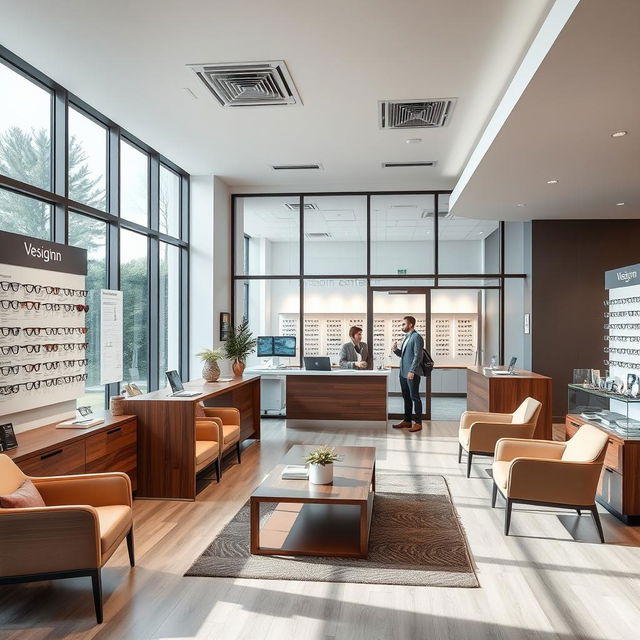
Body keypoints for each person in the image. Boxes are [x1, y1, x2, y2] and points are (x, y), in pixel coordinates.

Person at [391, 315, 425, 432]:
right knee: (406, 397)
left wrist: (412, 370)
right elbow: (404, 356)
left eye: (403, 324)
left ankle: (418, 423)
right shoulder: (406, 338)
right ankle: (407, 421)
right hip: (403, 373)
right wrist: (396, 351)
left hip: (411, 373)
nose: (402, 326)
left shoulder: (416, 337)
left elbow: (418, 356)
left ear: (410, 325)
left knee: (415, 397)